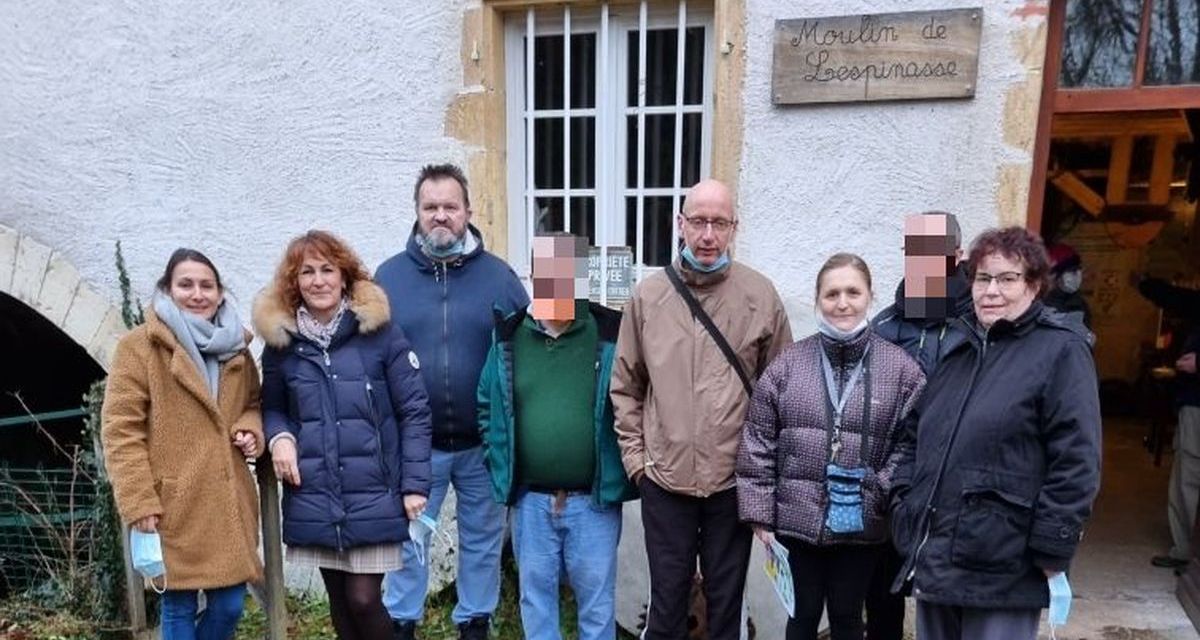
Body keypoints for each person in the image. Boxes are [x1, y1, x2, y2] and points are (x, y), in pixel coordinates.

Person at [890, 227, 1102, 640]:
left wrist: (1053, 545)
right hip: (939, 557)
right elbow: (915, 434)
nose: (991, 291)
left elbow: (1077, 460)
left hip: (1004, 563)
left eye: (1007, 279)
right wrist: (905, 500)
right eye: (983, 278)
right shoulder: (959, 348)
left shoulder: (1061, 350)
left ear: (1034, 285)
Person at [611, 178, 793, 639]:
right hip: (664, 480)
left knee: (725, 607)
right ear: (680, 224)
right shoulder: (649, 298)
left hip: (732, 483)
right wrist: (638, 463)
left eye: (719, 223)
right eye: (698, 222)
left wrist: (762, 472)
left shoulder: (760, 296)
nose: (708, 235)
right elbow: (626, 387)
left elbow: (781, 392)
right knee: (667, 606)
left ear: (734, 228)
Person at [375, 163, 529, 640]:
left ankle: (475, 621)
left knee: (482, 539)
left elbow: (528, 350)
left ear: (468, 212)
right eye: (431, 207)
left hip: (482, 444)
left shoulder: (500, 278)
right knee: (408, 539)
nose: (440, 216)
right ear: (417, 212)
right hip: (415, 446)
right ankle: (402, 621)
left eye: (450, 206)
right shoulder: (389, 278)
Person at [255, 230, 432, 640]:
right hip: (314, 491)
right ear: (294, 281)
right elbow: (273, 407)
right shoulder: (282, 344)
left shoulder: (380, 333)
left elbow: (414, 410)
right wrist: (280, 438)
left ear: (344, 275)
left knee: (363, 599)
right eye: (307, 272)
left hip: (374, 491)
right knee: (339, 601)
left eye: (327, 270)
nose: (318, 281)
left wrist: (414, 484)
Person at [738, 253, 925, 640]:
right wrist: (760, 512)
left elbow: (913, 442)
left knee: (847, 617)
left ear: (870, 296)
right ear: (817, 299)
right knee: (802, 617)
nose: (843, 303)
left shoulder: (901, 369)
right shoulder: (788, 365)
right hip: (797, 520)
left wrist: (880, 489)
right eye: (832, 293)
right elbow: (759, 439)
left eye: (853, 292)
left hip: (864, 522)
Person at [477, 233, 638, 640]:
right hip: (530, 501)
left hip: (594, 502)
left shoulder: (610, 333)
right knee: (536, 602)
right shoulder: (509, 335)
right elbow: (486, 403)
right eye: (551, 275)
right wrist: (498, 461)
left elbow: (636, 400)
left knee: (597, 607)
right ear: (534, 277)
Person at [102, 248, 263, 640]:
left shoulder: (236, 348)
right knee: (178, 606)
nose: (197, 294)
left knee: (230, 605)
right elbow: (121, 429)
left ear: (220, 293)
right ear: (168, 290)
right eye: (186, 284)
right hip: (173, 502)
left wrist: (249, 428)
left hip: (226, 502)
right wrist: (139, 501)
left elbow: (254, 403)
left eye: (207, 285)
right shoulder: (140, 347)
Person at [868, 211, 971, 640]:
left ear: (957, 255)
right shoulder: (884, 326)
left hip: (955, 488)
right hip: (896, 481)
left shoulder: (978, 324)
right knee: (882, 599)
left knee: (950, 608)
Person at [1139, 277, 1200, 571]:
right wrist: (1146, 284)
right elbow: (1180, 299)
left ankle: (1189, 554)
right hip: (1192, 402)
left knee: (1190, 477)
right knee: (1186, 477)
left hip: (1197, 403)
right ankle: (1186, 551)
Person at [1045, 242, 1092, 330]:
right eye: (1072, 271)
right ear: (1053, 275)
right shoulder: (1037, 305)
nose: (1078, 275)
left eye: (1079, 269)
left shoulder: (1080, 305)